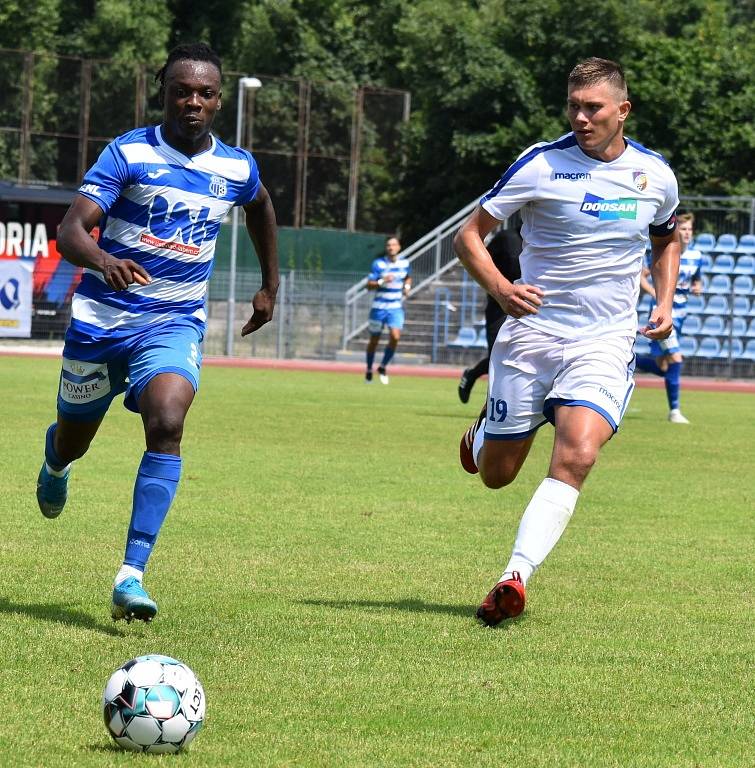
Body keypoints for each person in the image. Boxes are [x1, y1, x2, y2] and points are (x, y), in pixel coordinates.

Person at [35, 42, 279, 623]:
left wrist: (271, 284)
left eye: (205, 93)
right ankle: (56, 463)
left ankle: (131, 574)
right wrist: (103, 261)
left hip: (173, 321)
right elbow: (71, 230)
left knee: (169, 418)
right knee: (74, 438)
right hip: (101, 323)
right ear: (163, 93)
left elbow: (261, 206)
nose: (193, 101)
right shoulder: (128, 155)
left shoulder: (237, 167)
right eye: (181, 91)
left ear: (219, 100)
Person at [454, 57, 680, 626]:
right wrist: (503, 289)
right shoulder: (540, 164)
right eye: (574, 106)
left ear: (622, 111)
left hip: (603, 340)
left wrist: (664, 301)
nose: (581, 117)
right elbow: (469, 236)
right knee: (497, 475)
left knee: (578, 454)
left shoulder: (656, 175)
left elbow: (666, 236)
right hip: (532, 334)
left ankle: (514, 577)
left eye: (593, 107)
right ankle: (484, 435)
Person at [635, 212, 703, 423]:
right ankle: (675, 411)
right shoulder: (664, 254)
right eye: (682, 229)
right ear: (676, 231)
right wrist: (657, 294)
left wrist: (697, 286)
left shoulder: (697, 255)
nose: (686, 233)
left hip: (681, 315)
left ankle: (627, 360)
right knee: (676, 359)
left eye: (689, 229)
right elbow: (640, 278)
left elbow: (697, 279)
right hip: (663, 315)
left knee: (664, 366)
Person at [457, 228, 522, 403]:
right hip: (499, 306)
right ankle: (490, 401)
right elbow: (478, 260)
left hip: (532, 308)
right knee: (498, 355)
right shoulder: (507, 237)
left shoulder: (547, 239)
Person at [364, 236, 411, 384]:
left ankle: (383, 367)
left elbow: (408, 277)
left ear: (399, 247)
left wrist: (407, 287)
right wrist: (382, 281)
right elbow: (369, 285)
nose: (391, 247)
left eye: (394, 245)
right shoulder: (378, 264)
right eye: (388, 245)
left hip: (395, 308)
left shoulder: (405, 263)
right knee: (374, 340)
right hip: (378, 308)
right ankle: (369, 369)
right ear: (386, 248)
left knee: (395, 336)